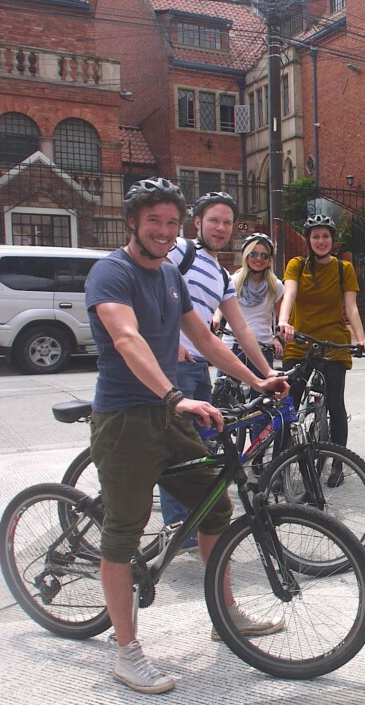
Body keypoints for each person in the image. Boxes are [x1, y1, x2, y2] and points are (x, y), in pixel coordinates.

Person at [85, 178, 289, 694]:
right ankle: (127, 652)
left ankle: (225, 611)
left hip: (168, 415)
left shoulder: (169, 277)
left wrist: (257, 377)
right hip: (127, 418)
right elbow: (128, 340)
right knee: (123, 530)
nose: (163, 230)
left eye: (171, 222)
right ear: (133, 222)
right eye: (153, 220)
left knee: (214, 505)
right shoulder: (112, 272)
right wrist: (174, 396)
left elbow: (204, 338)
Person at [158, 192, 277, 550]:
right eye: (214, 220)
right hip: (170, 367)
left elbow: (240, 329)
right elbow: (147, 287)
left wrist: (266, 373)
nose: (221, 228)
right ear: (198, 222)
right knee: (180, 449)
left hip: (198, 368)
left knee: (201, 447)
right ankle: (176, 527)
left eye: (227, 222)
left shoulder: (222, 275)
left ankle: (187, 523)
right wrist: (168, 340)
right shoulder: (180, 250)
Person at [276, 214, 365, 485]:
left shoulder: (344, 268)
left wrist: (360, 338)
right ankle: (277, 464)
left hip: (333, 343)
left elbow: (351, 307)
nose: (321, 241)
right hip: (300, 342)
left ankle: (338, 465)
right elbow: (290, 294)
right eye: (316, 236)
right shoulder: (296, 265)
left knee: (335, 405)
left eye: (326, 236)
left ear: (333, 240)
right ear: (308, 240)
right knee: (289, 404)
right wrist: (283, 322)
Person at [215, 233, 284, 375]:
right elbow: (219, 306)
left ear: (269, 259)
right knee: (222, 393)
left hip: (262, 348)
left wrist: (277, 338)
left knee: (262, 395)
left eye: (264, 255)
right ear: (246, 256)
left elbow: (282, 317)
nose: (258, 259)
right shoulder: (232, 281)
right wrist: (216, 318)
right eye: (253, 254)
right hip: (232, 346)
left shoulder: (275, 286)